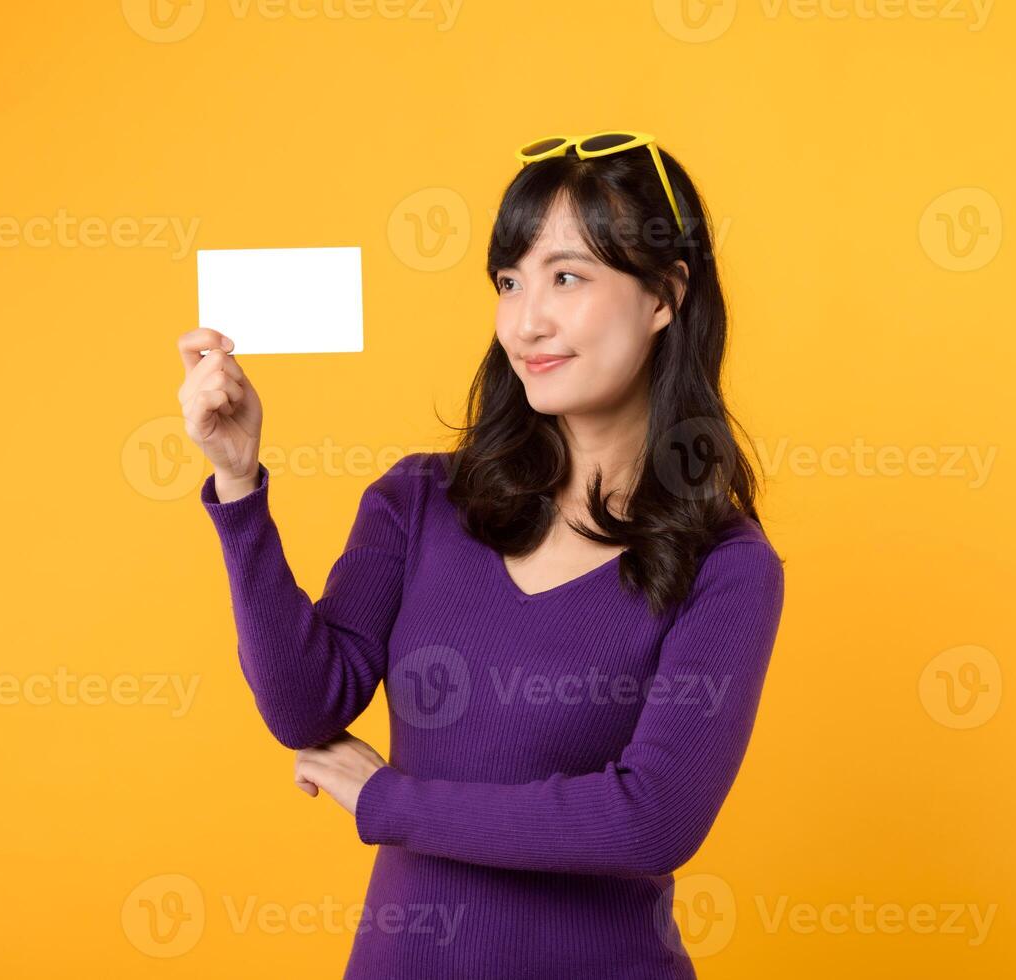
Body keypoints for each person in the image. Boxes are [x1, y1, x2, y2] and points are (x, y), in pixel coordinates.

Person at [176, 132, 786, 979]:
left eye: (566, 276)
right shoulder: (420, 500)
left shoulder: (727, 564)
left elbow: (650, 820)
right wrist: (239, 485)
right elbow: (305, 708)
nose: (525, 320)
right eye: (509, 281)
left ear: (663, 296)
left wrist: (391, 802)